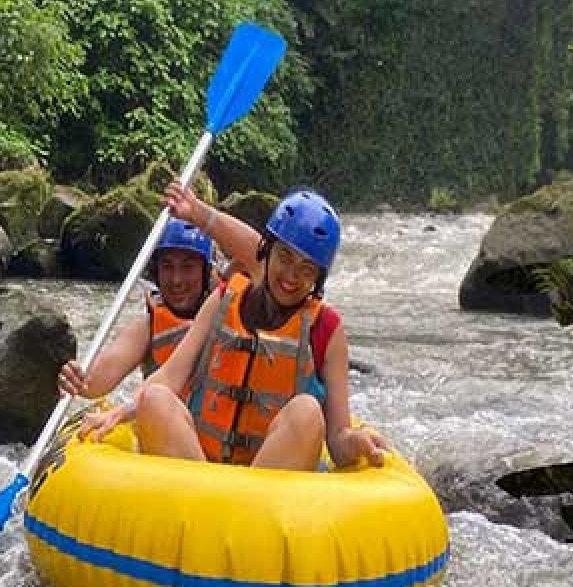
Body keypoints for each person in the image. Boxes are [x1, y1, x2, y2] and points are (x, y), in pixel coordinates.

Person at [81, 188, 389, 471]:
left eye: (306, 270)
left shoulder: (327, 329)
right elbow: (170, 376)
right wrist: (121, 413)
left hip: (267, 483)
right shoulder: (224, 299)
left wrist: (355, 442)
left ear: (317, 280)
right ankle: (202, 510)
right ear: (266, 251)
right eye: (285, 258)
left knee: (307, 412)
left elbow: (337, 441)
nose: (291, 277)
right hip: (201, 467)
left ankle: (236, 519)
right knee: (155, 398)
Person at [57, 217, 216, 399]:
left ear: (206, 273)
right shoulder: (146, 328)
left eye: (188, 267)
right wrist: (75, 377)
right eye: (167, 266)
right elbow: (95, 381)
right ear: (156, 272)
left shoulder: (231, 312)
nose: (176, 280)